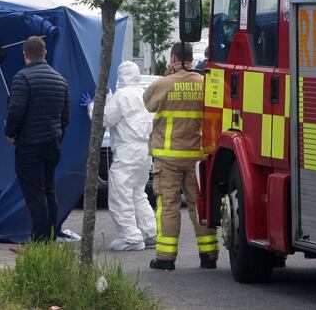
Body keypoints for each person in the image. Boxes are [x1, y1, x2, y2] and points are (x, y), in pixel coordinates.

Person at [144, 42, 219, 271]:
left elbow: (148, 103)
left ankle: (166, 258)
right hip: (198, 156)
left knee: (168, 206)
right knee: (199, 204)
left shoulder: (163, 83)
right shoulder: (206, 84)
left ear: (174, 58)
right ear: (191, 59)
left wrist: (169, 76)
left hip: (168, 158)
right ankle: (209, 255)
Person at [82, 61, 156, 251]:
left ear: (121, 76)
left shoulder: (122, 95)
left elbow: (105, 118)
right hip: (144, 151)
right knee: (138, 194)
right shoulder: (144, 94)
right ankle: (150, 233)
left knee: (120, 195)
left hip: (127, 151)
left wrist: (91, 106)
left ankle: (131, 237)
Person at [5, 36, 70, 242]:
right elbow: (65, 117)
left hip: (29, 146)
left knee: (34, 194)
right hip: (52, 145)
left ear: (25, 54)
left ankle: (38, 241)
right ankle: (50, 238)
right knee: (49, 191)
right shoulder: (60, 80)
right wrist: (57, 138)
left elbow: (16, 110)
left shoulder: (22, 78)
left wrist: (10, 132)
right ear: (45, 53)